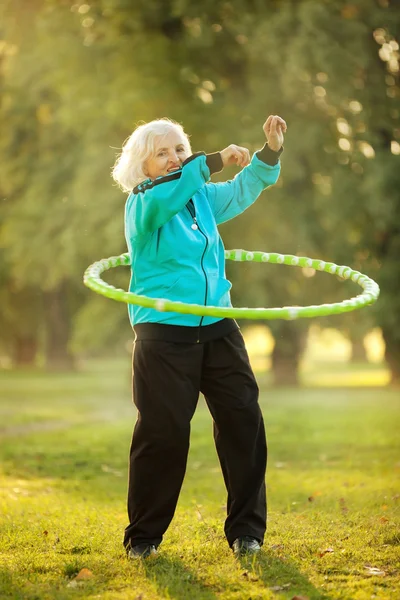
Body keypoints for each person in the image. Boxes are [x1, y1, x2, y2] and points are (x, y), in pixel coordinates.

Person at [112, 114, 286, 559]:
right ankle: (144, 538)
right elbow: (170, 197)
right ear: (143, 166)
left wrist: (268, 152)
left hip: (217, 325)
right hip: (164, 333)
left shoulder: (200, 197)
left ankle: (247, 532)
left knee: (243, 422)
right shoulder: (142, 203)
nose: (174, 159)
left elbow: (242, 190)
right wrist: (208, 162)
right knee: (164, 433)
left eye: (180, 150)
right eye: (163, 153)